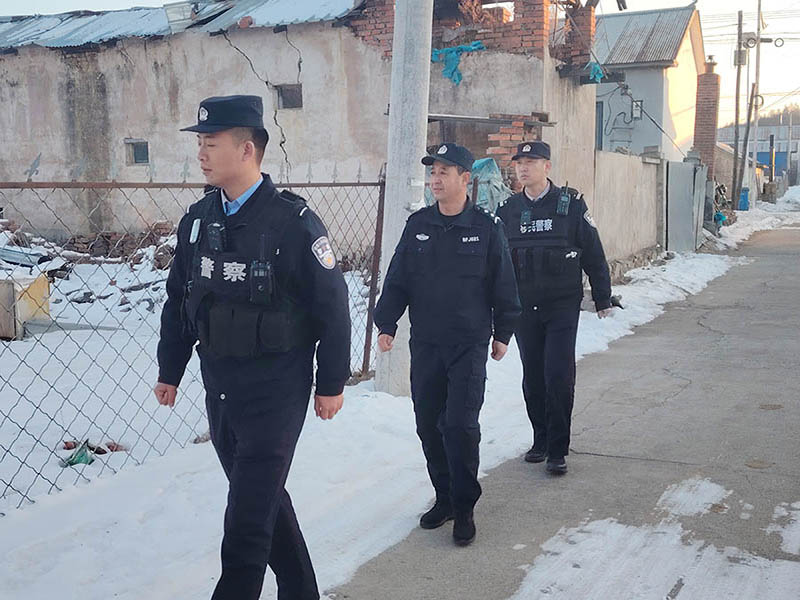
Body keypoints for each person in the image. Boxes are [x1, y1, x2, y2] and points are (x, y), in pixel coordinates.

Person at [153, 95, 351, 600]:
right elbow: (181, 298)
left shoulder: (293, 223)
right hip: (221, 387)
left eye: (211, 142)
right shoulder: (199, 221)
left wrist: (331, 382)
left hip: (275, 392)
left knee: (245, 520)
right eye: (199, 142)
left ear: (247, 149)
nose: (201, 153)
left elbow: (332, 306)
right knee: (261, 501)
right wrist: (170, 368)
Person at [374, 142, 521, 546]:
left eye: (444, 172)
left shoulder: (486, 228)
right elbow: (398, 278)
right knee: (428, 424)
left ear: (465, 179)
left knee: (459, 426)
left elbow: (503, 284)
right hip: (426, 346)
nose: (435, 179)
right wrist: (386, 322)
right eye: (433, 172)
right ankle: (444, 497)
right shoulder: (418, 225)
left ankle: (464, 506)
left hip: (468, 347)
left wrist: (503, 333)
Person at [496, 141, 612, 476]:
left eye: (531, 162)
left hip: (561, 305)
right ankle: (541, 439)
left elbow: (593, 252)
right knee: (533, 376)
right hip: (523, 307)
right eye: (519, 162)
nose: (523, 168)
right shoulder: (508, 210)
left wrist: (602, 296)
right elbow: (497, 263)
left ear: (547, 166)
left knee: (558, 374)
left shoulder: (571, 205)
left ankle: (558, 449)